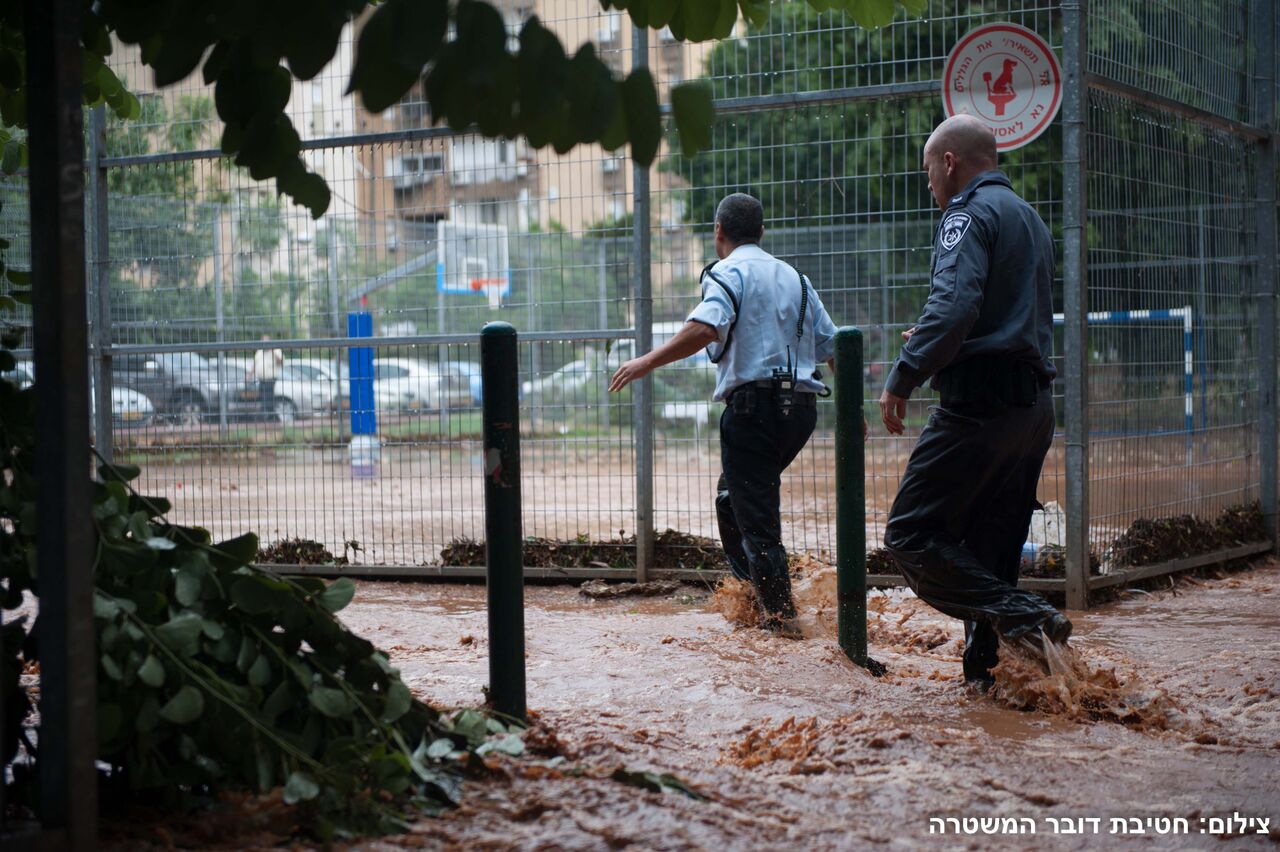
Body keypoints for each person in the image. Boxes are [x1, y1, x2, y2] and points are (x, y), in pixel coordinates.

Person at [879, 114, 1072, 688]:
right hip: (1031, 411)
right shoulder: (1030, 218)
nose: (929, 185)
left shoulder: (965, 214)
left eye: (928, 172)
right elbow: (998, 314)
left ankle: (1025, 615)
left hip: (979, 405)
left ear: (949, 162)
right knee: (992, 551)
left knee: (909, 536)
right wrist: (941, 336)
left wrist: (904, 374)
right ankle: (994, 685)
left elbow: (955, 307)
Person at [610, 193, 838, 638]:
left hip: (753, 411)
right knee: (732, 497)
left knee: (756, 518)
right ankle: (752, 596)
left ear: (719, 231)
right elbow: (833, 346)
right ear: (762, 232)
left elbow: (705, 328)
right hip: (800, 413)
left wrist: (644, 362)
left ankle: (781, 625)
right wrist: (853, 411)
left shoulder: (727, 272)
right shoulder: (797, 278)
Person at [253, 334, 284, 420]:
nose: (264, 343)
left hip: (270, 379)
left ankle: (264, 417)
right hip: (261, 379)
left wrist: (272, 350)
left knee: (267, 398)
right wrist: (249, 374)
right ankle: (273, 418)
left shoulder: (276, 350)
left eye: (266, 341)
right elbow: (255, 364)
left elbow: (280, 362)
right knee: (264, 398)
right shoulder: (259, 351)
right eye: (263, 341)